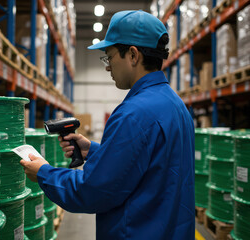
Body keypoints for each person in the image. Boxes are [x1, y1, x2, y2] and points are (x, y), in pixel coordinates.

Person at [20, 10, 195, 240]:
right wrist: (92, 150)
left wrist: (44, 173)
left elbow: (93, 191)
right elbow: (151, 166)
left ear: (133, 55)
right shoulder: (176, 105)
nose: (107, 66)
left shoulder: (133, 114)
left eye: (109, 56)